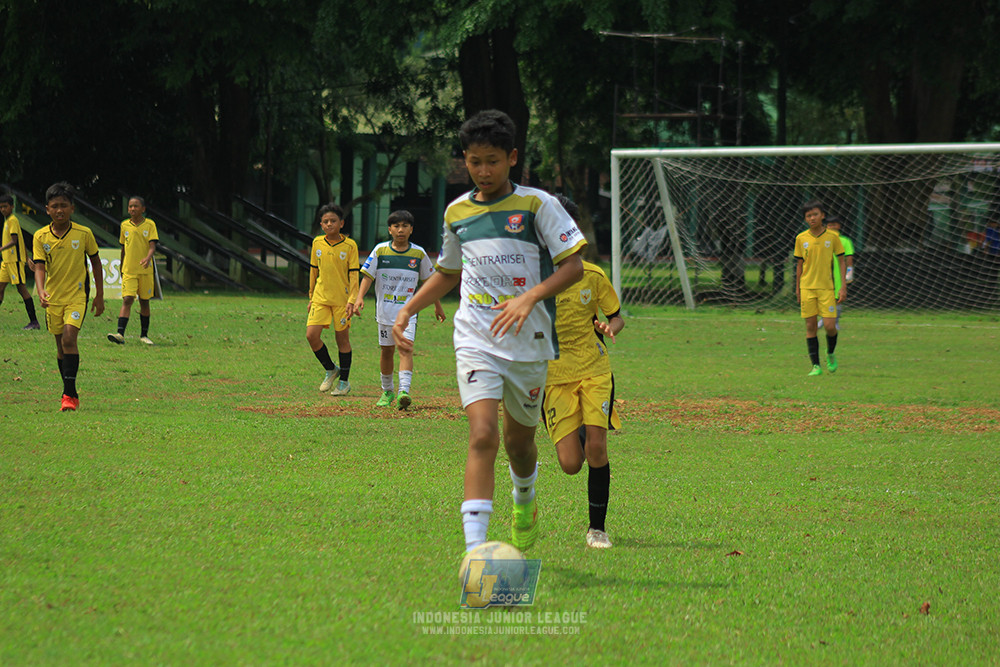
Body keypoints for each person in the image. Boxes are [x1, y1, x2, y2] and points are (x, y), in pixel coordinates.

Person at [392, 109, 586, 554]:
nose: (483, 171)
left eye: (493, 161)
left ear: (512, 158)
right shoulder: (457, 212)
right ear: (465, 159)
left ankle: (524, 497)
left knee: (520, 444)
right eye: (475, 162)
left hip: (529, 344)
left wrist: (529, 297)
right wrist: (407, 309)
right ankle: (475, 550)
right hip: (475, 337)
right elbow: (448, 272)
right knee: (482, 434)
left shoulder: (539, 205)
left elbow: (573, 266)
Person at [543, 194, 624, 549]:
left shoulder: (592, 275)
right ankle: (578, 430)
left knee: (598, 448)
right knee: (570, 464)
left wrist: (610, 328)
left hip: (594, 369)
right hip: (553, 376)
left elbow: (616, 317)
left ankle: (597, 529)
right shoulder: (534, 277)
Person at [347, 209, 446, 410]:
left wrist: (437, 305)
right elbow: (367, 277)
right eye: (396, 226)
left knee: (406, 348)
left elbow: (430, 282)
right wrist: (359, 298)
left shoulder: (418, 254)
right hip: (385, 312)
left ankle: (404, 392)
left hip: (409, 313)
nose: (401, 230)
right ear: (390, 229)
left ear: (411, 230)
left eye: (405, 226)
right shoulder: (380, 251)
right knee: (386, 351)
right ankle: (387, 391)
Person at [32, 182, 105, 411]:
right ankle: (69, 391)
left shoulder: (84, 234)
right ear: (47, 209)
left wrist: (99, 295)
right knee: (60, 347)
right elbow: (39, 266)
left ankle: (69, 395)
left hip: (77, 296)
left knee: (69, 339)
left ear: (72, 208)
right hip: (53, 298)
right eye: (55, 206)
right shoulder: (40, 236)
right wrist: (41, 290)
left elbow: (96, 263)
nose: (59, 210)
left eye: (64, 205)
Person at [307, 203, 359, 395]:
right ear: (321, 224)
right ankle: (331, 369)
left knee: (342, 339)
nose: (329, 224)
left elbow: (354, 275)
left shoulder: (350, 245)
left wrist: (352, 300)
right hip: (320, 298)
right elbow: (314, 270)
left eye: (333, 221)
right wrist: (311, 296)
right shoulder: (317, 243)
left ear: (341, 223)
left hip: (342, 301)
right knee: (311, 335)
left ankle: (344, 382)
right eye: (326, 221)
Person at [794, 200, 846, 376]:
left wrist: (843, 286)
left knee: (830, 327)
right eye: (808, 216)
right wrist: (798, 289)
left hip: (826, 289)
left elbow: (841, 261)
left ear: (822, 215)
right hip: (807, 288)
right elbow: (799, 265)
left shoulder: (832, 237)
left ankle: (830, 353)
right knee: (811, 327)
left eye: (815, 214)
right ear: (805, 219)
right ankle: (815, 366)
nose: (812, 218)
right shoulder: (801, 238)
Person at [107, 196, 158, 345]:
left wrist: (148, 258)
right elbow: (124, 247)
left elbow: (152, 246)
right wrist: (122, 265)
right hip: (129, 270)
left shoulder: (150, 224)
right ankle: (120, 334)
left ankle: (144, 335)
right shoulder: (124, 225)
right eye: (130, 206)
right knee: (128, 299)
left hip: (145, 270)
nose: (132, 209)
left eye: (136, 206)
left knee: (144, 301)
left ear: (143, 209)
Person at [0, 193, 41, 330]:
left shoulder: (13, 220)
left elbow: (14, 241)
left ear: (12, 206)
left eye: (5, 206)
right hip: (6, 261)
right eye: (1, 207)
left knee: (21, 289)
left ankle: (34, 321)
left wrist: (1, 248)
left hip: (14, 261)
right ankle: (33, 322)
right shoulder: (7, 220)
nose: (3, 209)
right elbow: (21, 241)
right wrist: (28, 257)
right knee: (0, 288)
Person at [820, 214, 855, 331]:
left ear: (839, 226)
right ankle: (824, 320)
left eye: (834, 225)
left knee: (838, 297)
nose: (831, 227)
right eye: (829, 225)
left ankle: (835, 322)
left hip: (838, 273)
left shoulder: (845, 241)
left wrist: (849, 272)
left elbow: (849, 257)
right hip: (823, 273)